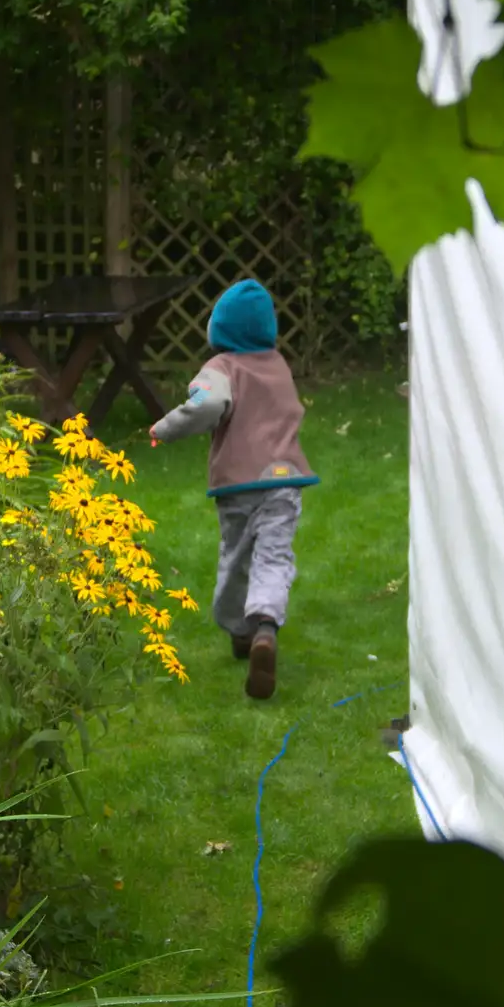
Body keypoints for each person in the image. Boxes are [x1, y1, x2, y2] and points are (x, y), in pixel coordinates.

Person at [149, 279, 319, 700]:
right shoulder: (277, 363)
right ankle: (265, 625)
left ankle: (242, 632)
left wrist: (165, 428)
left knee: (238, 555)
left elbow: (207, 405)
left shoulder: (220, 367)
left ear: (219, 329)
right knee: (274, 555)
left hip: (240, 484)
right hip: (285, 480)